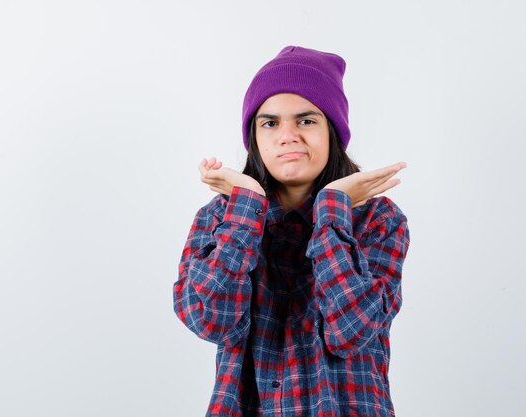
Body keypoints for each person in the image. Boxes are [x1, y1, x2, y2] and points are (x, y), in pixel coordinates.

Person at [172, 45, 411, 417]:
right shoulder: (220, 217)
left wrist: (332, 208)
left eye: (306, 120)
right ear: (254, 137)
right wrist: (247, 207)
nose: (287, 136)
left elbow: (351, 331)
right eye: (270, 123)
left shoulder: (378, 219)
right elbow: (208, 319)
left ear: (332, 130)